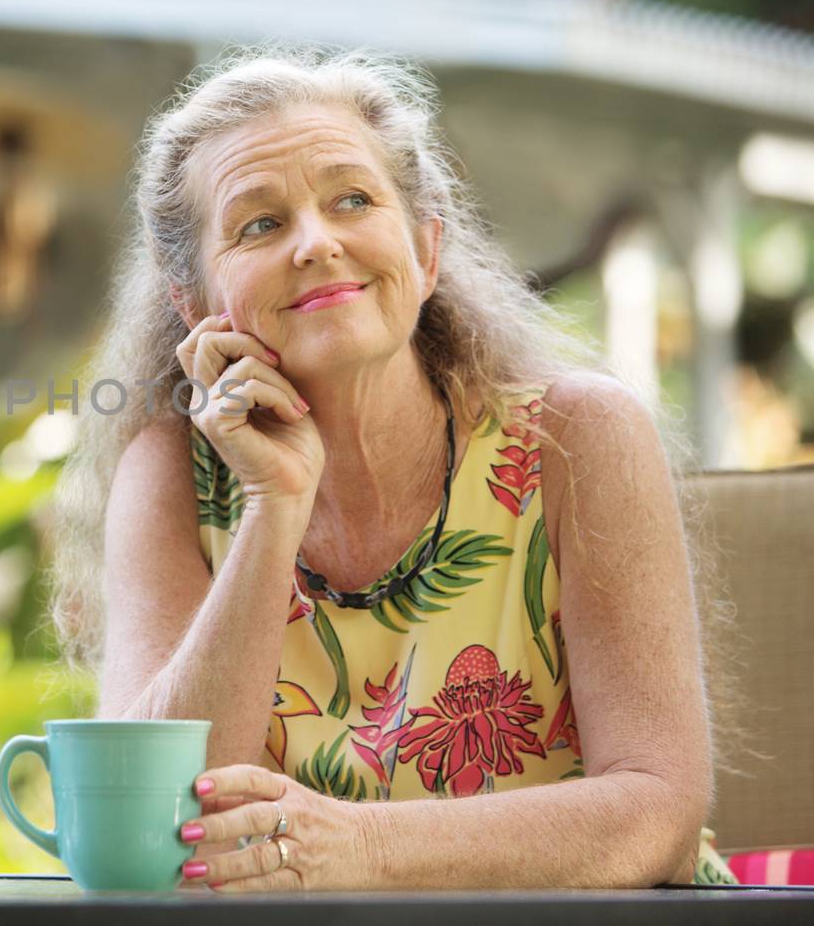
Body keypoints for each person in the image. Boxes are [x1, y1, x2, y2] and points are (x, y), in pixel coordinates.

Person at [46, 44, 740, 890]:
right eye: (259, 223)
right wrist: (272, 506)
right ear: (193, 303)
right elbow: (150, 831)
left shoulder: (577, 436)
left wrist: (360, 845)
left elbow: (655, 813)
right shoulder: (170, 474)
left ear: (425, 251)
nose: (316, 242)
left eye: (353, 200)